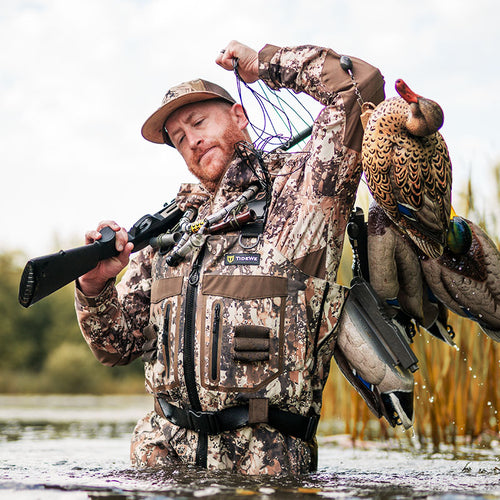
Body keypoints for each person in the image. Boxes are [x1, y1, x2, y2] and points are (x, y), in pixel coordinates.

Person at [75, 40, 385, 475]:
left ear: (238, 115)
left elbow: (359, 87)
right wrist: (94, 287)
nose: (192, 141)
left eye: (199, 122)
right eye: (179, 139)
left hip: (263, 468)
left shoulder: (305, 193)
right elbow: (116, 346)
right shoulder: (171, 231)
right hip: (161, 465)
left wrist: (268, 64)